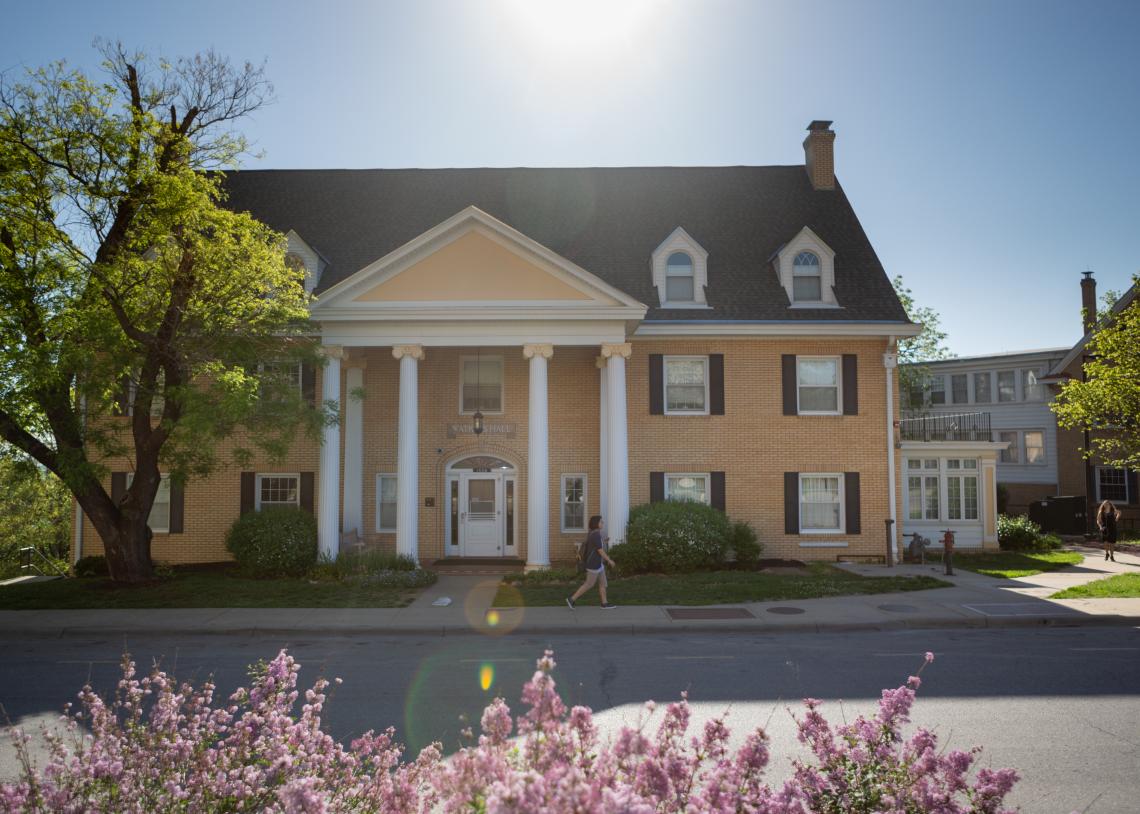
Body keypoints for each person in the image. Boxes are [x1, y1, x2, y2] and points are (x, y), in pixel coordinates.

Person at [567, 515, 616, 609]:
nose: (603, 523)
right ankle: (572, 599)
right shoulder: (596, 535)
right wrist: (609, 560)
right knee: (589, 584)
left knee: (603, 583)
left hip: (598, 564)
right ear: (596, 523)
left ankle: (604, 603)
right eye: (601, 522)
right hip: (594, 565)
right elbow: (600, 551)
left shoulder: (593, 533)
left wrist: (604, 542)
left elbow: (595, 546)